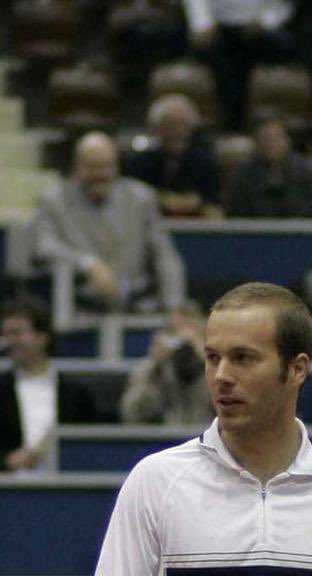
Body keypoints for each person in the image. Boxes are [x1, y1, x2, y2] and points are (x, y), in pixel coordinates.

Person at [96, 282, 312, 574]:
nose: (221, 375)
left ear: (296, 369)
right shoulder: (154, 482)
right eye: (212, 357)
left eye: (242, 358)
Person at [34, 131, 186, 313]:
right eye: (93, 166)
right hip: (81, 308)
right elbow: (44, 246)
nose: (101, 174)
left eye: (107, 166)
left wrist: (174, 305)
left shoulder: (141, 198)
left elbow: (164, 256)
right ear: (77, 166)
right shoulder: (53, 200)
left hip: (138, 306)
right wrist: (88, 264)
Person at [184, 0, 296, 130]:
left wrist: (264, 21)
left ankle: (271, 128)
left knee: (283, 44)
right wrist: (202, 23)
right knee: (224, 60)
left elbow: (281, 6)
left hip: (259, 29)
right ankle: (233, 127)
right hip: (219, 29)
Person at [124, 93, 221, 218]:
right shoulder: (138, 163)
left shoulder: (205, 163)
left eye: (182, 124)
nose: (176, 131)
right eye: (169, 125)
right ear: (157, 128)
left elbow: (214, 208)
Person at [120, 301, 213, 425]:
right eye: (175, 331)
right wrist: (155, 365)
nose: (183, 338)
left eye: (188, 330)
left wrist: (201, 351)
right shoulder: (151, 366)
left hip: (207, 431)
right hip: (165, 431)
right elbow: (133, 410)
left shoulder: (216, 360)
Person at [224, 111, 312, 218]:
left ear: (287, 140)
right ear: (256, 142)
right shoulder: (242, 174)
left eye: (277, 137)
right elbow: (234, 216)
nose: (272, 143)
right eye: (266, 138)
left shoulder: (307, 172)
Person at [0, 297, 57, 471]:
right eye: (5, 334)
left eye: (16, 333)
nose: (9, 342)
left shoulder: (75, 394)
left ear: (42, 337)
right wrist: (8, 462)